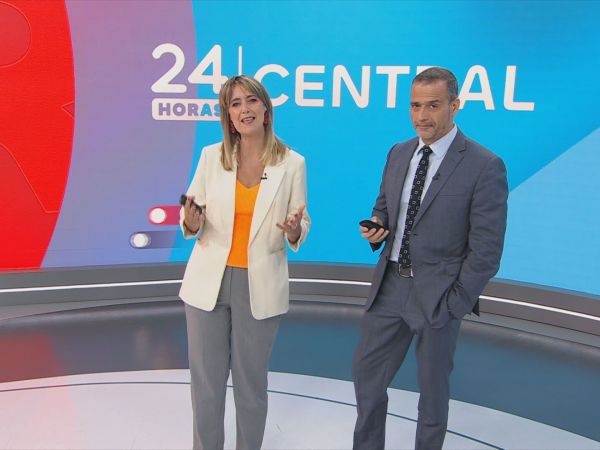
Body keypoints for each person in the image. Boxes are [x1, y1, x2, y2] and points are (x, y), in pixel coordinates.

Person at [352, 67, 508, 450]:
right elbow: (384, 206)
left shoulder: (484, 165)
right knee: (367, 379)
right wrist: (378, 226)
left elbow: (487, 249)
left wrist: (455, 303)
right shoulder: (398, 152)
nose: (421, 116)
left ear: (455, 106)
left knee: (432, 395)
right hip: (389, 287)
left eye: (433, 106)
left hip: (439, 295)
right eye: (415, 105)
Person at [178, 75, 310, 450]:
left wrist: (295, 230)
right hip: (208, 283)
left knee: (251, 385)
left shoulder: (293, 163)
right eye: (235, 104)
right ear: (228, 116)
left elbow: (301, 219)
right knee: (206, 385)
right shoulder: (211, 157)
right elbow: (192, 214)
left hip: (260, 284)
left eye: (251, 101)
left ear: (266, 109)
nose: (244, 109)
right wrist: (191, 221)